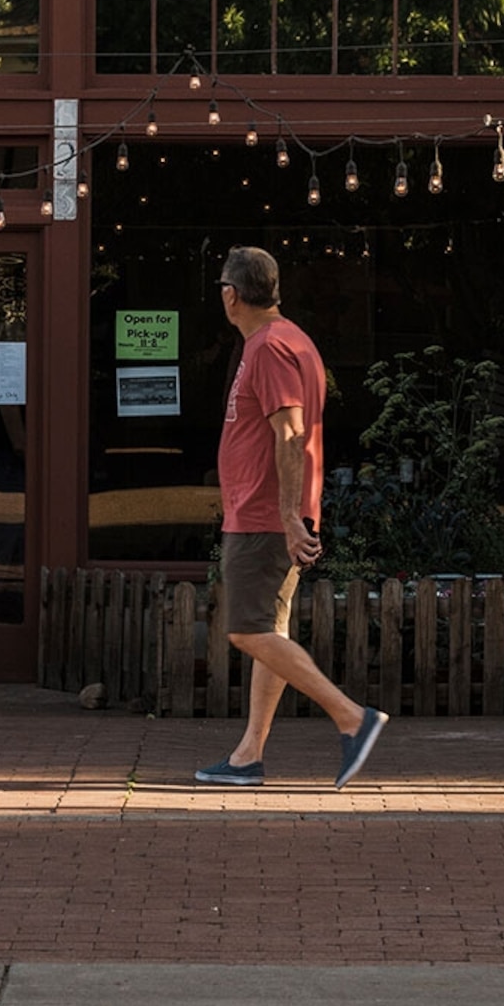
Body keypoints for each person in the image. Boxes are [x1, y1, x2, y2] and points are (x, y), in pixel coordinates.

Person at [191, 246, 389, 789]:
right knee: (268, 632)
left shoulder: (271, 347)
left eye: (221, 289)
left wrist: (286, 516)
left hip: (262, 518)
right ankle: (246, 757)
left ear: (231, 295)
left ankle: (353, 717)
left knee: (247, 633)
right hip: (265, 513)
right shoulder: (289, 339)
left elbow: (291, 432)